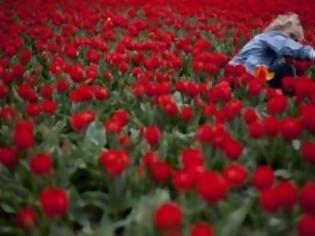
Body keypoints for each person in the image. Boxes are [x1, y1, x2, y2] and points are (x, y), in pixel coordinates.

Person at [229, 13, 315, 91]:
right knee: (286, 69)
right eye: (295, 40)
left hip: (234, 75)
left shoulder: (264, 37)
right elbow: (288, 47)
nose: (293, 43)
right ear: (290, 34)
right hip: (247, 75)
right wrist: (311, 53)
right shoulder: (275, 37)